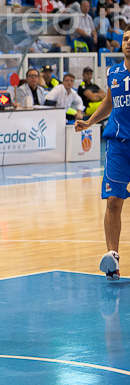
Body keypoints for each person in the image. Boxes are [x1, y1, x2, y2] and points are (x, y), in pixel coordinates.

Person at [75, 27, 130, 280]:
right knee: (113, 201)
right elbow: (109, 101)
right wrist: (89, 121)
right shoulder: (113, 72)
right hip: (118, 145)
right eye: (126, 39)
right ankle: (113, 259)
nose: (128, 43)